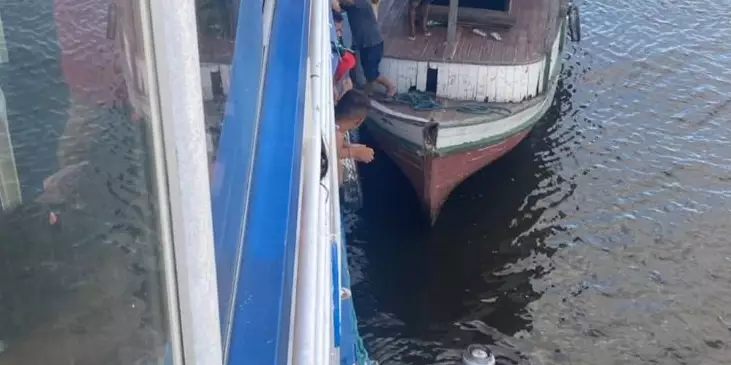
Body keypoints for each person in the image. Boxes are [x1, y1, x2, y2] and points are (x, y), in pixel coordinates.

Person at [333, 0, 396, 97]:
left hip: (372, 43)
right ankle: (367, 92)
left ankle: (390, 86)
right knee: (368, 71)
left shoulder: (362, 3)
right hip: (366, 43)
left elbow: (344, 3)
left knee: (371, 73)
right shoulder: (352, 6)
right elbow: (339, 6)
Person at [334, 89, 375, 183]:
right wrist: (355, 152)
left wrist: (349, 146)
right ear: (358, 121)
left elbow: (335, 145)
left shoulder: (337, 127)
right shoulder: (337, 132)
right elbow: (333, 152)